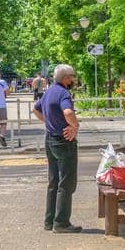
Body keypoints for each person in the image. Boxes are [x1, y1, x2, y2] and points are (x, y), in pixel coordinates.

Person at [35, 64, 82, 233]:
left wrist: (49, 122)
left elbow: (36, 109)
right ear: (65, 78)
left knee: (53, 181)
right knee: (66, 182)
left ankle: (49, 221)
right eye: (71, 76)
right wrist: (75, 126)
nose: (73, 79)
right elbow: (68, 112)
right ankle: (61, 223)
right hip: (64, 141)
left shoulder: (49, 91)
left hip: (50, 139)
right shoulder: (63, 93)